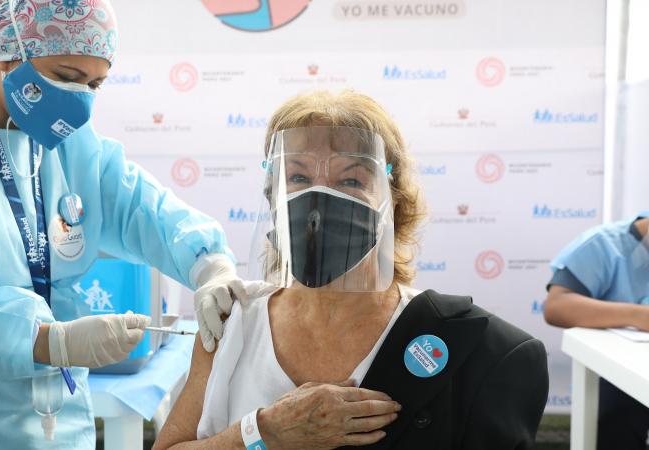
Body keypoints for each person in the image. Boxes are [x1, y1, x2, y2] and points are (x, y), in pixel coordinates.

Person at [0, 1, 247, 448]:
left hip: (54, 424)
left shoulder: (68, 145)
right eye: (66, 76)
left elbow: (143, 207)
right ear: (7, 52)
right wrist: (45, 342)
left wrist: (211, 266)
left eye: (94, 84)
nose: (79, 99)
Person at [153, 90, 549, 450]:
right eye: (299, 177)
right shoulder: (232, 324)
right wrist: (263, 433)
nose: (319, 199)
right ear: (272, 196)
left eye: (350, 180)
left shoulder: (473, 349)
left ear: (392, 203)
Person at [544, 213, 649, 450]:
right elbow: (556, 306)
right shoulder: (603, 244)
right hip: (620, 375)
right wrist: (638, 316)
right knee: (615, 414)